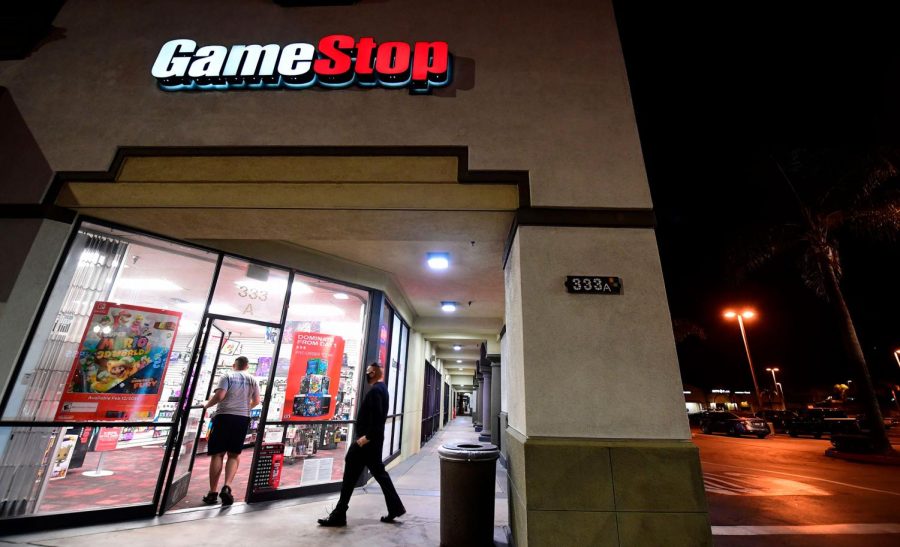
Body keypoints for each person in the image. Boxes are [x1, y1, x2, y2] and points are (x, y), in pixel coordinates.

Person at [318, 362, 405, 526]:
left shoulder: (376, 391)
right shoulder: (382, 389)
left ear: (372, 373)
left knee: (351, 474)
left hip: (366, 443)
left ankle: (339, 514)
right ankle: (394, 508)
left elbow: (378, 419)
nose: (365, 373)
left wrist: (366, 438)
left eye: (367, 371)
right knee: (377, 474)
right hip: (371, 443)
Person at [201, 355, 260, 505]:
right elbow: (257, 401)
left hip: (224, 416)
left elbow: (220, 395)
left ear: (234, 365)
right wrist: (245, 409)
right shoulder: (253, 380)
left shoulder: (227, 375)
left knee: (218, 454)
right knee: (234, 455)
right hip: (242, 419)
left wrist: (207, 405)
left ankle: (212, 492)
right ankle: (227, 487)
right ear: (247, 366)